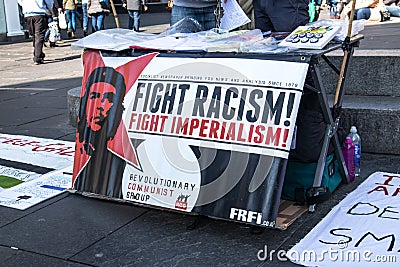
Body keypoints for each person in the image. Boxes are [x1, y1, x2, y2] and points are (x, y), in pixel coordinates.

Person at [74, 66, 127, 198]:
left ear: (118, 107)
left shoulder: (120, 162)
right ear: (85, 102)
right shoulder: (83, 152)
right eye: (94, 97)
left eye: (108, 98)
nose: (100, 105)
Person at [17, 0, 54, 65]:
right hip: (39, 13)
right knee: (39, 36)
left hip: (28, 14)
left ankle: (39, 53)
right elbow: (49, 2)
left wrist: (26, 6)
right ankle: (37, 57)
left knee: (34, 35)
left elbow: (19, 1)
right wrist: (49, 9)